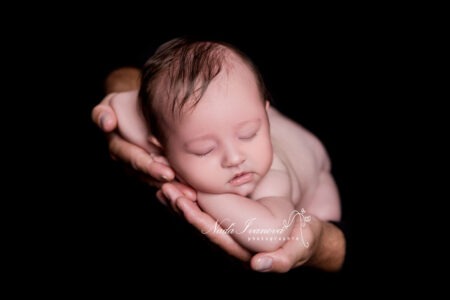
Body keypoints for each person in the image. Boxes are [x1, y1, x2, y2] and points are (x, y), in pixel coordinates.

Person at [92, 38, 346, 272]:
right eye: (205, 149)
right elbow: (121, 106)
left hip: (314, 164)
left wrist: (203, 194)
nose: (234, 158)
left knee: (325, 218)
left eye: (249, 134)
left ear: (264, 113)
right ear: (160, 146)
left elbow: (270, 235)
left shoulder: (274, 178)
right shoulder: (189, 130)